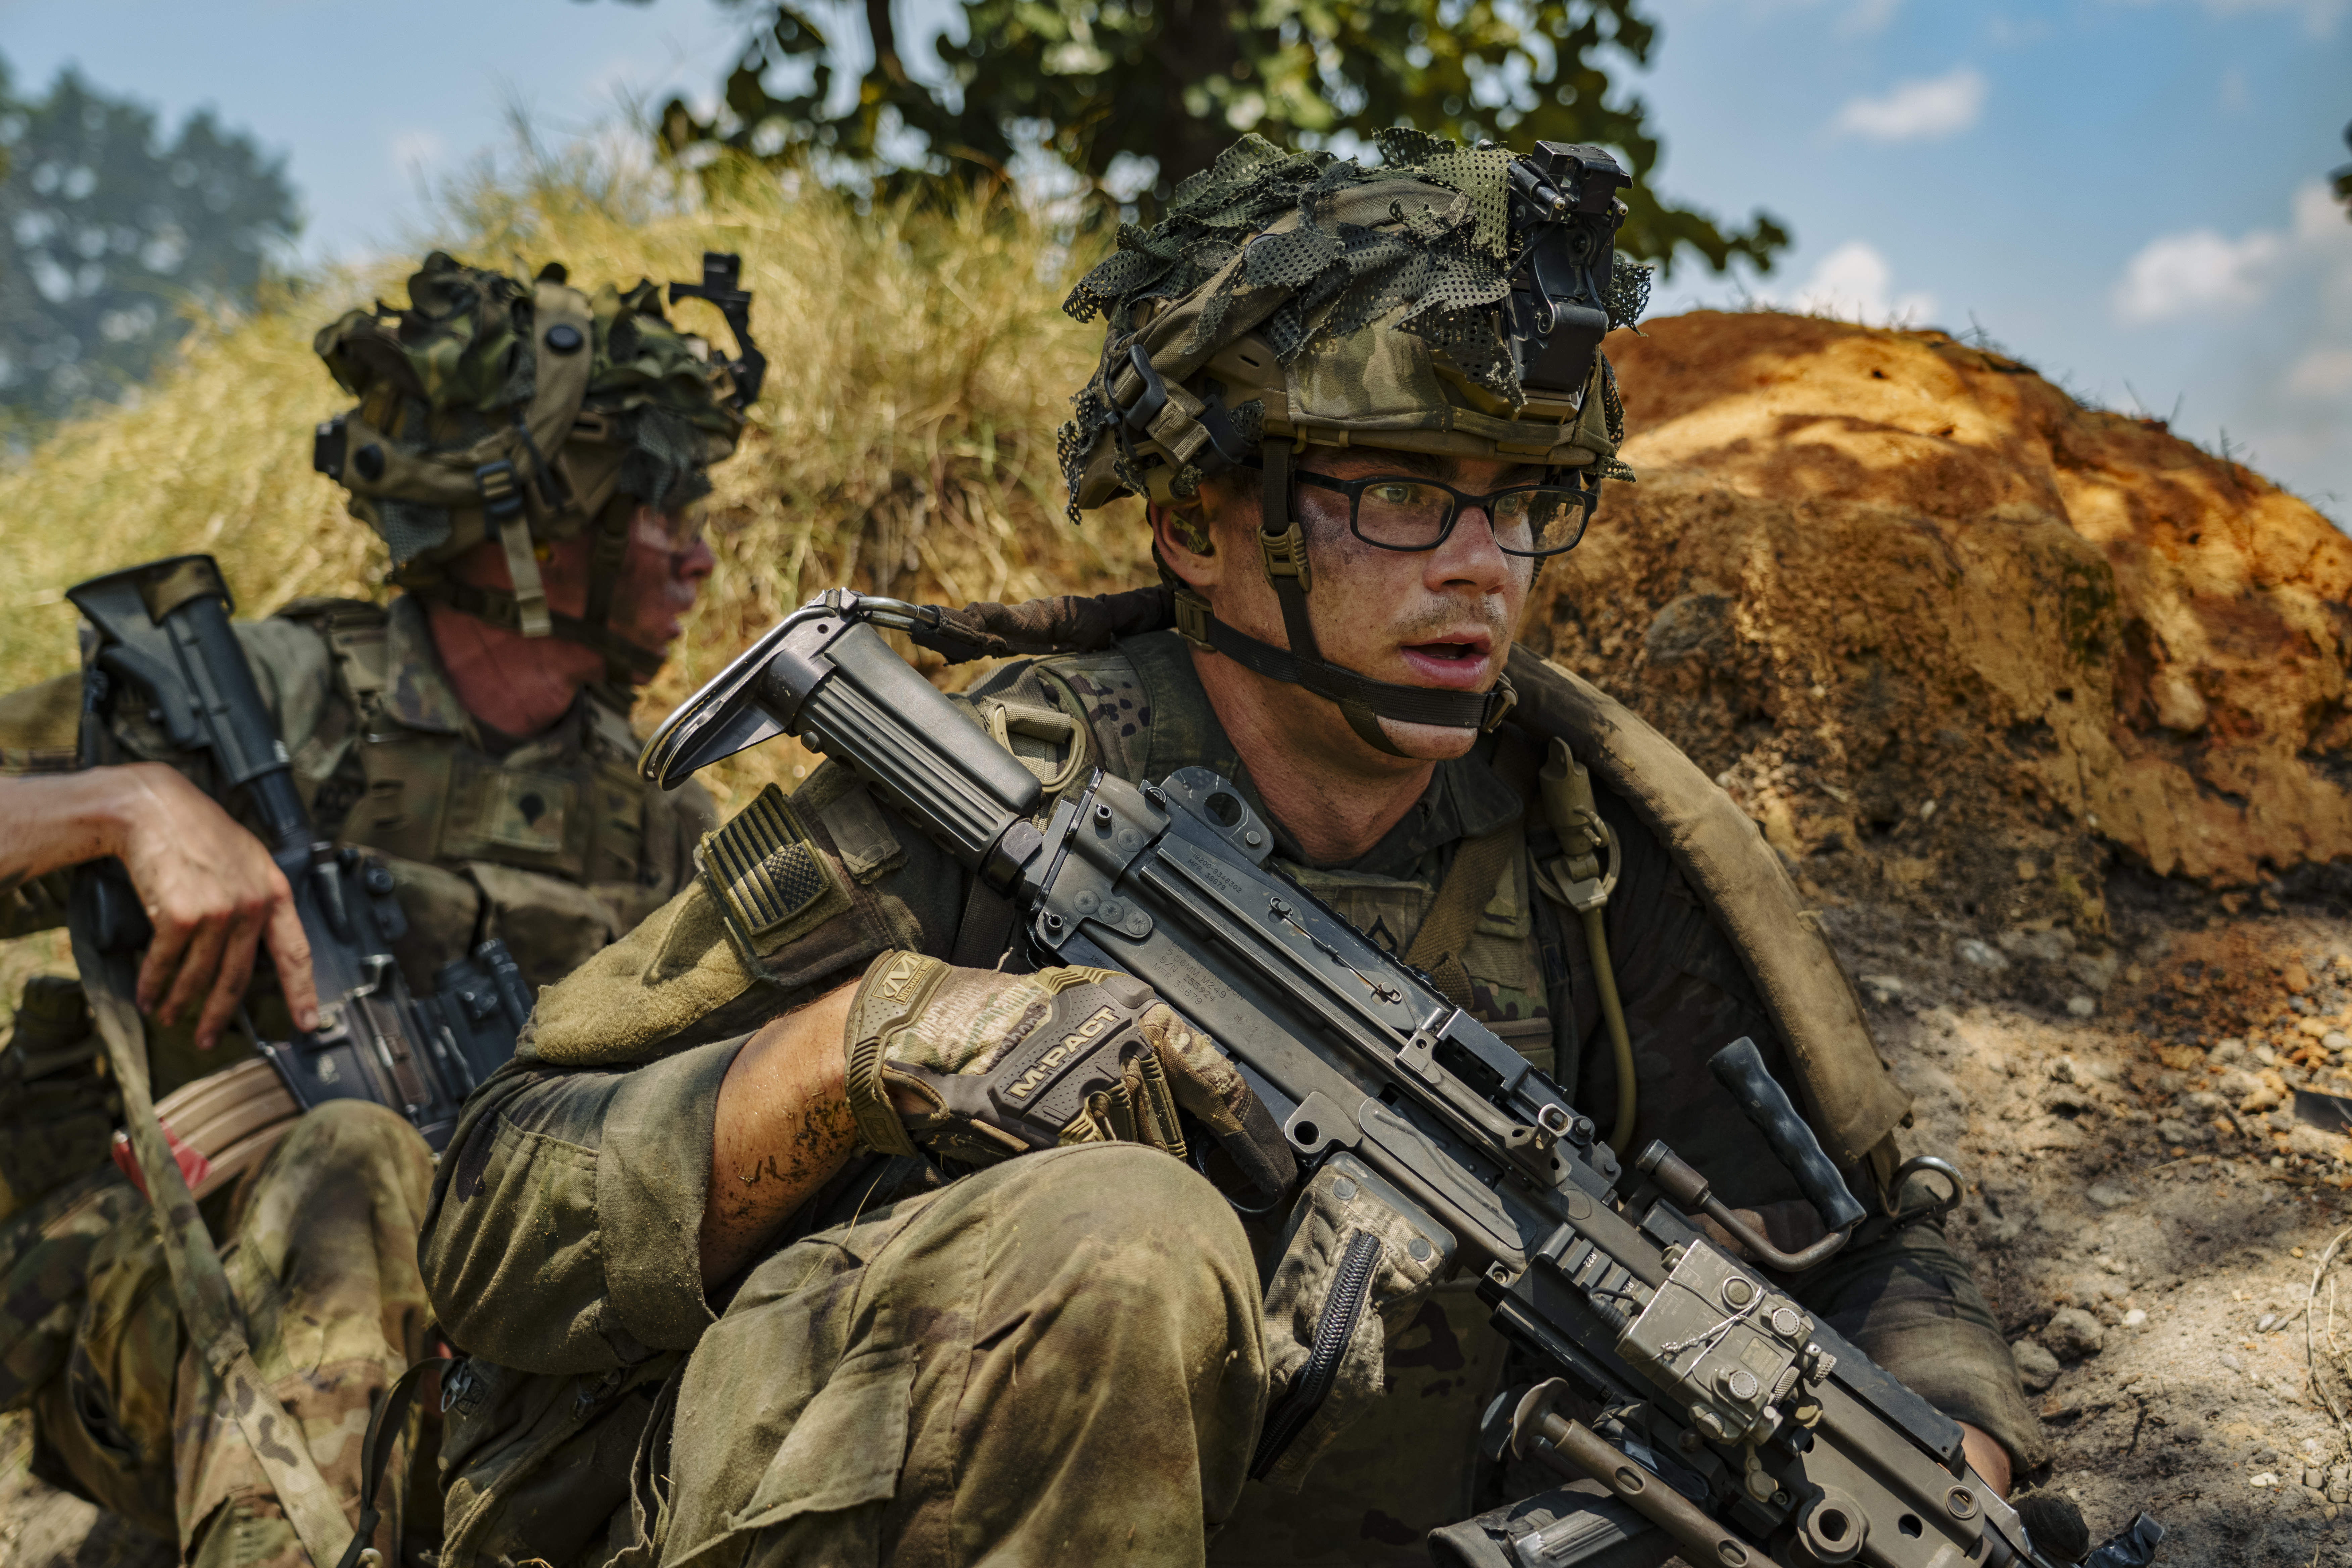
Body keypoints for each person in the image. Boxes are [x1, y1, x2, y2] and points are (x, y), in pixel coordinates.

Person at [418, 135, 2043, 1568]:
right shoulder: (993, 791)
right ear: (1197, 525)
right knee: (1122, 1238)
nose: (1483, 571)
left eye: (1526, 501)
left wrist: (1934, 1460)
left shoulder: (1584, 841)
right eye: (1407, 499)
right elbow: (488, 1216)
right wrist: (864, 1049)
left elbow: (1865, 1246)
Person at [0, 250, 747, 1568]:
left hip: (496, 1331)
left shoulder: (660, 816)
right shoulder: (265, 699)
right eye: (666, 511)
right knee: (352, 1159)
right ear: (543, 531)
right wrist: (127, 805)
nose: (699, 555)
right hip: (160, 1286)